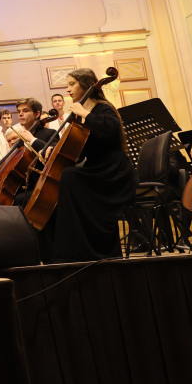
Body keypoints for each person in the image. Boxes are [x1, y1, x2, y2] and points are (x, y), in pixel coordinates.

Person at [43, 69, 138, 263]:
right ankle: (73, 249)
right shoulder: (83, 112)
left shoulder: (102, 107)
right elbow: (79, 151)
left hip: (114, 171)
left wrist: (85, 113)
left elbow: (111, 130)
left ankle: (82, 249)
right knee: (68, 176)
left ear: (86, 85)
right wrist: (54, 149)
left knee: (70, 177)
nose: (68, 89)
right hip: (98, 169)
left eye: (72, 84)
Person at [0, 98, 58, 207]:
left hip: (42, 186)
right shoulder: (19, 139)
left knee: (17, 201)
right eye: (19, 111)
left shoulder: (50, 133)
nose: (20, 114)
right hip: (22, 186)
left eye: (25, 111)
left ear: (37, 114)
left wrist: (32, 139)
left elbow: (54, 155)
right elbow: (12, 162)